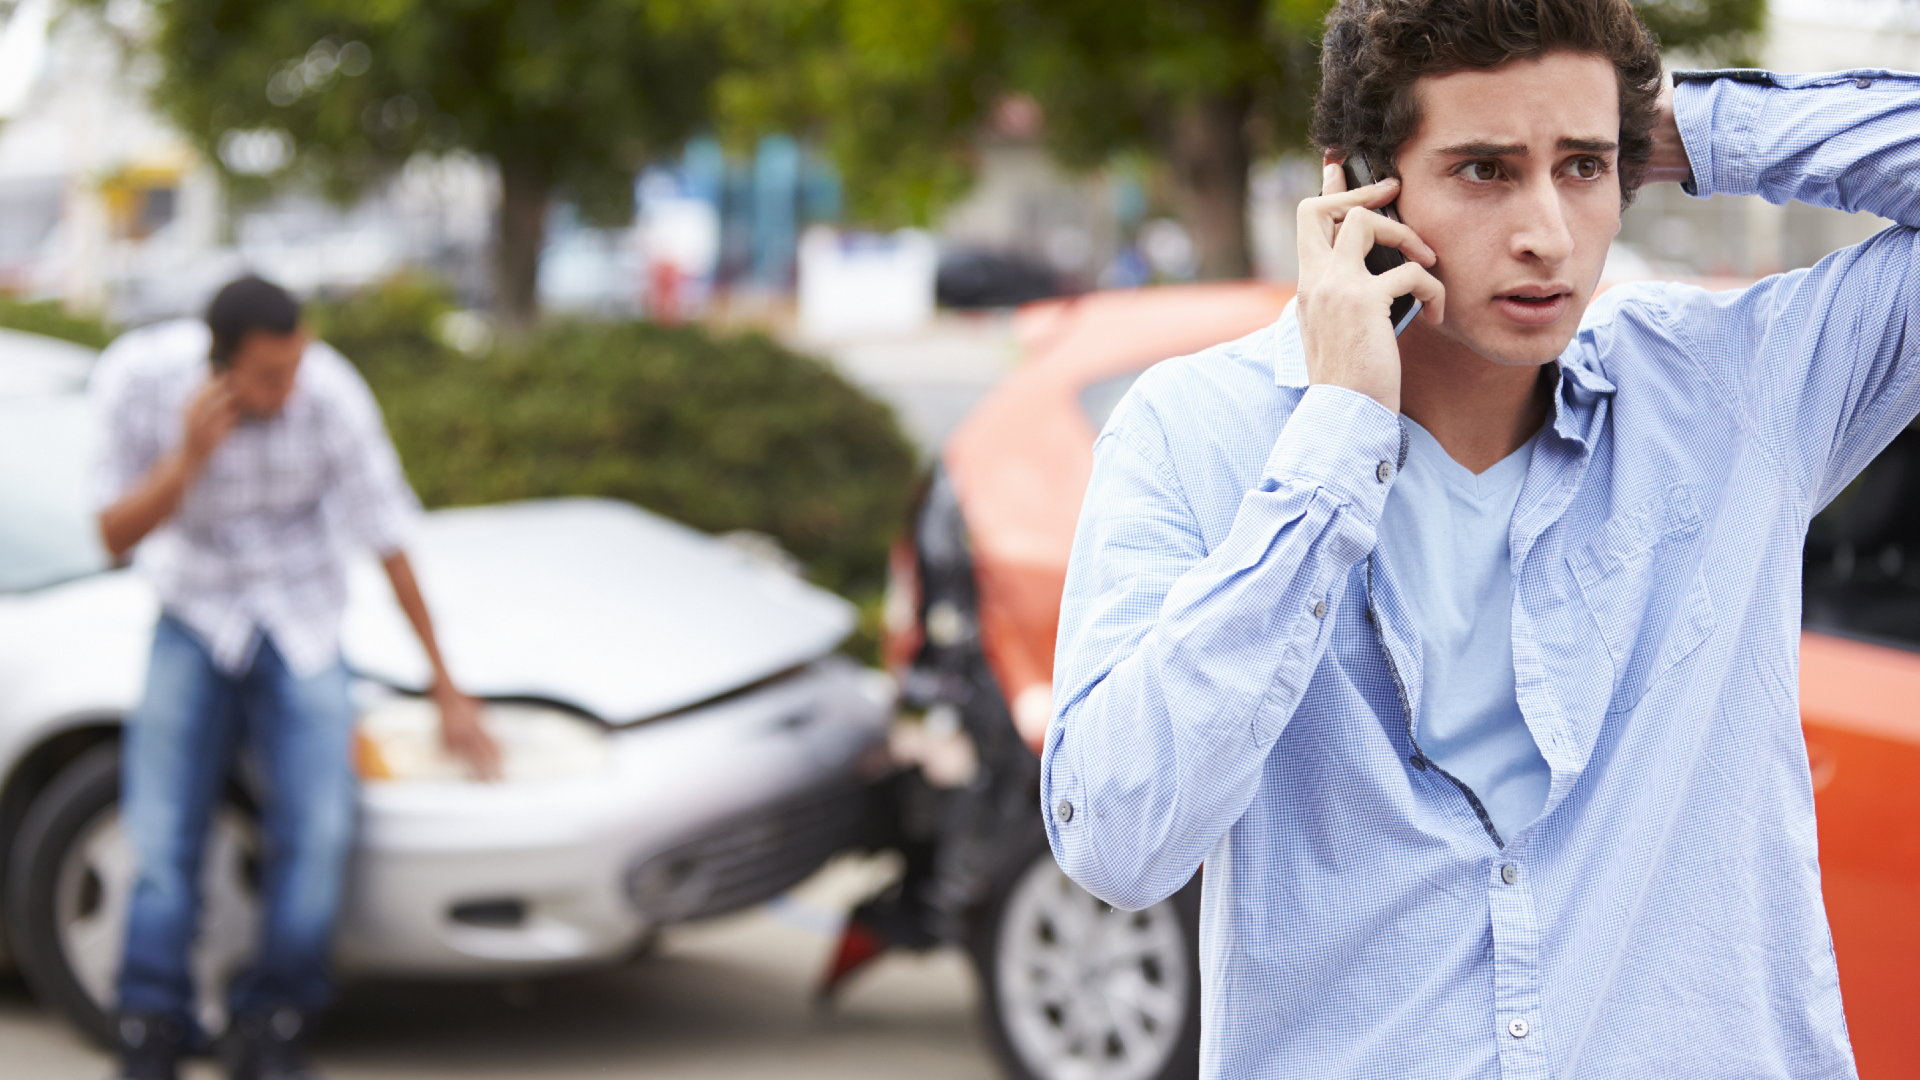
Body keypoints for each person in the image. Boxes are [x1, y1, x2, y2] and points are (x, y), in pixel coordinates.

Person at [1042, 0, 1917, 1075]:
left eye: (1585, 170)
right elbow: (1116, 842)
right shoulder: (1196, 434)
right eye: (1486, 169)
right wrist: (1335, 445)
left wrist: (1661, 126)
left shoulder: (1733, 395)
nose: (1547, 230)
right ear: (1358, 190)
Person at [91, 276, 502, 1080]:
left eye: (296, 366)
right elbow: (112, 535)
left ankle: (272, 1023)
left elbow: (388, 534)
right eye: (269, 376)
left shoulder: (331, 395)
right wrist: (188, 457)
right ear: (220, 369)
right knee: (160, 833)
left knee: (318, 831)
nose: (291, 387)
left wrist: (446, 685)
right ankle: (150, 1026)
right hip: (195, 611)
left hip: (302, 617)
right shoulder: (138, 380)